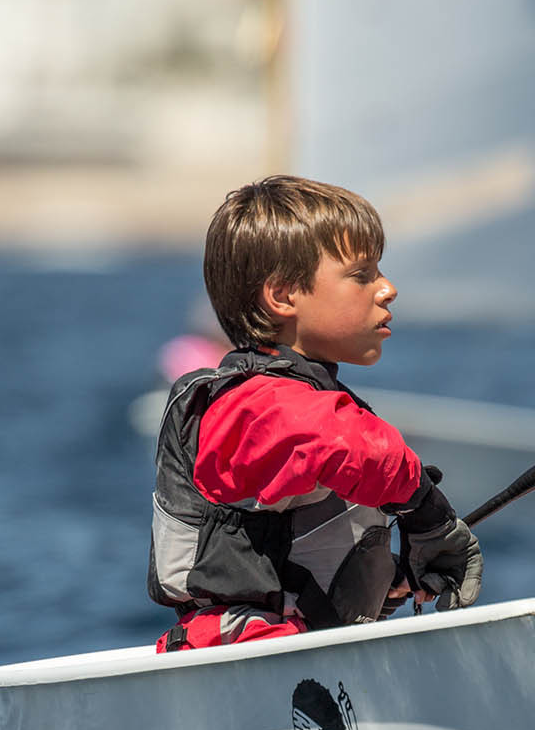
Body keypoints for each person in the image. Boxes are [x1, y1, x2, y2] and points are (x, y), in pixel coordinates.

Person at [148, 175, 483, 652]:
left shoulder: (301, 398)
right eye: (362, 275)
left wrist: (378, 577)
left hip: (304, 658)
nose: (387, 289)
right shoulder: (251, 402)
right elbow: (348, 445)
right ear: (283, 296)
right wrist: (427, 514)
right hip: (243, 663)